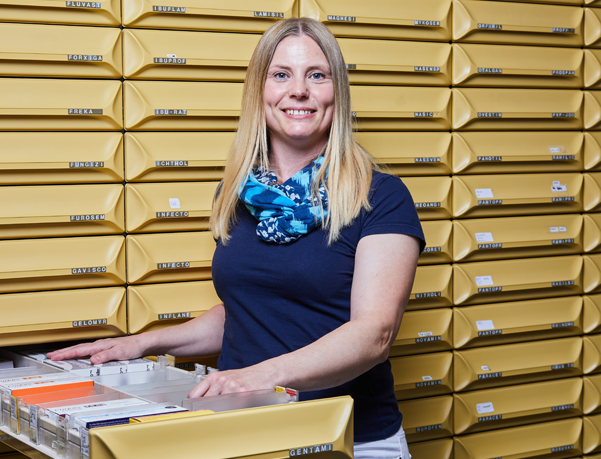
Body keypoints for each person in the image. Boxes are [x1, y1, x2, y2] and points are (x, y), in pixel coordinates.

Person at [48, 17, 425, 458]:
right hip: (246, 433)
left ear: (336, 91)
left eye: (316, 75)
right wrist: (143, 343)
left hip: (349, 439)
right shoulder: (237, 195)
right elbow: (247, 314)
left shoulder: (380, 196)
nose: (298, 91)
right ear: (258, 92)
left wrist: (262, 375)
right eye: (280, 75)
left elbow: (374, 333)